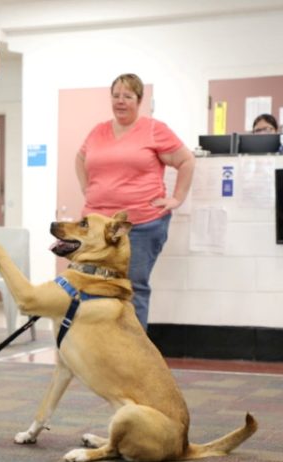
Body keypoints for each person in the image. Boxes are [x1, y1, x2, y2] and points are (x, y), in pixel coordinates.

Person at [75, 73, 195, 330]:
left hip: (141, 224)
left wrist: (177, 198)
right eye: (116, 95)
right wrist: (89, 190)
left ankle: (133, 350)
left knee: (133, 287)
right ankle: (97, 346)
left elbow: (186, 160)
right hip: (98, 225)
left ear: (139, 100)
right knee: (91, 283)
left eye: (127, 96)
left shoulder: (154, 129)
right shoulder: (98, 131)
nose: (120, 101)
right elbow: (80, 159)